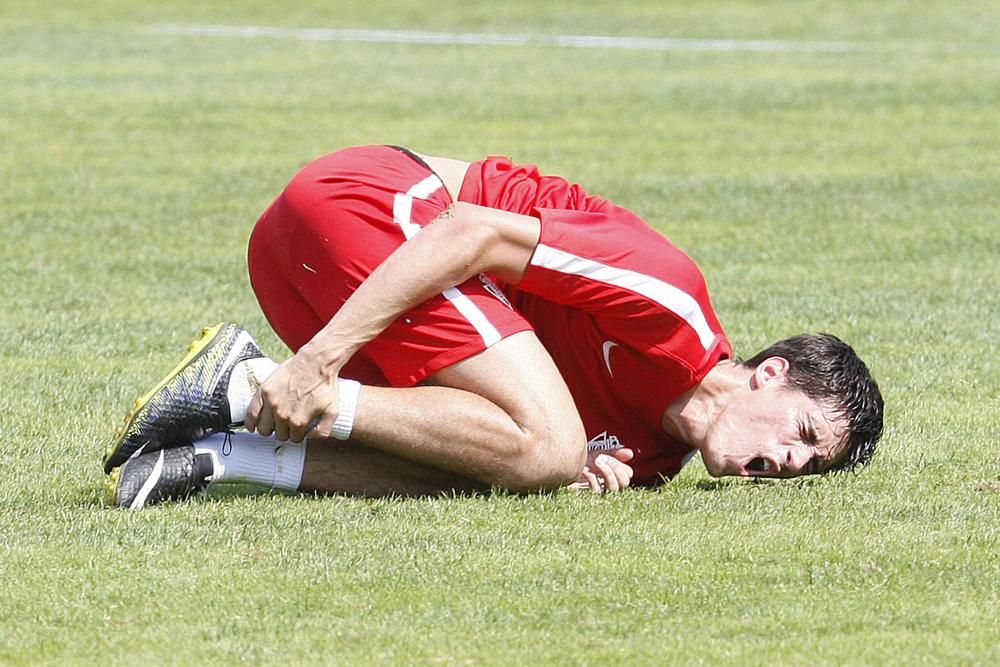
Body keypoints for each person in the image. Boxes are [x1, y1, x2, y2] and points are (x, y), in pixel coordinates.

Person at [103, 145, 884, 509]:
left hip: (309, 273)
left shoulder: (651, 461)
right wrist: (319, 359)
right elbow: (472, 231)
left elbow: (509, 453)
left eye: (808, 466)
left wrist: (563, 479)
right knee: (546, 443)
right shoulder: (671, 304)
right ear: (772, 372)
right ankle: (244, 383)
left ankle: (218, 457)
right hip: (369, 209)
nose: (789, 462)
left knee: (502, 462)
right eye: (805, 433)